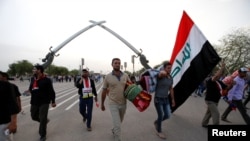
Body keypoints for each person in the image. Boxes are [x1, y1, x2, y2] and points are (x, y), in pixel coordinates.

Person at [101, 58, 131, 141]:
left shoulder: (125, 75)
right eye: (115, 63)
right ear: (112, 64)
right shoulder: (107, 77)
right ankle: (117, 138)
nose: (117, 64)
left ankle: (114, 130)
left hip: (123, 103)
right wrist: (102, 104)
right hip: (113, 103)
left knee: (119, 122)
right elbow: (104, 91)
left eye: (119, 63)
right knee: (118, 125)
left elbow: (131, 87)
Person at [28, 65, 56, 141]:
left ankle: (42, 135)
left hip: (44, 102)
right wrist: (28, 91)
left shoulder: (47, 80)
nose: (33, 70)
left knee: (42, 117)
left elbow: (51, 91)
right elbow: (31, 88)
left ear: (39, 70)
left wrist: (53, 101)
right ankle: (45, 121)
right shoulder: (33, 79)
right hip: (34, 101)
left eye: (34, 69)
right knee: (33, 116)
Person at [201, 62, 229, 127]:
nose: (219, 74)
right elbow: (216, 76)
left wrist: (232, 84)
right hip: (210, 100)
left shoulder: (220, 82)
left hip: (216, 101)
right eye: (218, 73)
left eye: (221, 74)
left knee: (209, 113)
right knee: (216, 113)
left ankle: (204, 123)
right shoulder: (211, 80)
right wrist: (222, 68)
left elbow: (227, 88)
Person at [153, 61, 175, 139]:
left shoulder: (171, 78)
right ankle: (159, 131)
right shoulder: (161, 76)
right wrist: (162, 72)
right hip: (158, 99)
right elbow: (160, 74)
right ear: (164, 68)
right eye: (168, 68)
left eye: (170, 68)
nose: (170, 69)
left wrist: (173, 100)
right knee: (160, 115)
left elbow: (171, 89)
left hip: (166, 99)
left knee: (168, 115)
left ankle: (157, 122)